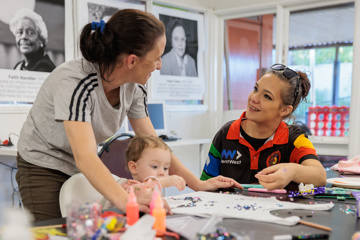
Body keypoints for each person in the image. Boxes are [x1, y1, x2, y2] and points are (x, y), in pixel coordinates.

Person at [16, 9, 241, 222]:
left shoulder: (134, 88)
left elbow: (156, 148)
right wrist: (126, 201)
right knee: (52, 230)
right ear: (132, 60)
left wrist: (197, 185)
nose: (160, 65)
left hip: (83, 164)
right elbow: (85, 157)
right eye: (157, 57)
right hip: (43, 163)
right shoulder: (76, 82)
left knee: (92, 226)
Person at [200, 63, 327, 190]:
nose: (254, 98)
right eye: (256, 88)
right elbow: (205, 186)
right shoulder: (226, 133)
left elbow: (320, 176)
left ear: (284, 110)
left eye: (267, 96)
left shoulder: (294, 138)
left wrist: (292, 171)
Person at [102, 135, 186, 209]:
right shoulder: (129, 186)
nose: (162, 173)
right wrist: (162, 182)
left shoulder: (152, 186)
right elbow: (142, 191)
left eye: (165, 168)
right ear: (134, 167)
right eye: (155, 166)